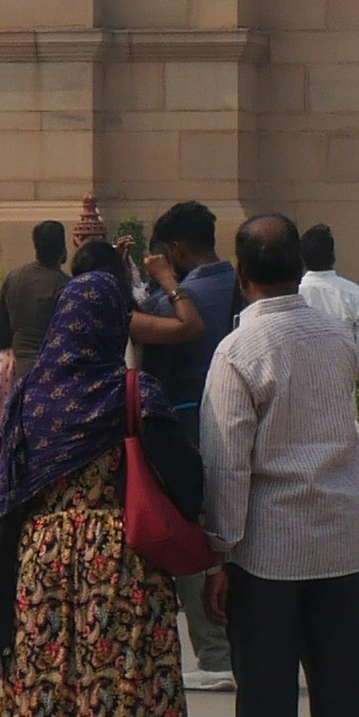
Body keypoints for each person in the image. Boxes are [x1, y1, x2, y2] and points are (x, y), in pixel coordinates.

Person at [0, 234, 188, 717]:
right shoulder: (131, 394)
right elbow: (181, 477)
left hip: (39, 563)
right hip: (119, 562)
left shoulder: (32, 400)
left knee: (44, 695)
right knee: (118, 693)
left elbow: (3, 491)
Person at [204, 212, 359, 717]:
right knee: (342, 699)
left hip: (268, 550)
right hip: (338, 544)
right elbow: (355, 438)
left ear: (243, 272)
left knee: (265, 705)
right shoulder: (335, 337)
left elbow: (228, 464)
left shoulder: (239, 353)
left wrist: (221, 552)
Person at [132, 203, 242, 682]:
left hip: (190, 424)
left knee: (193, 536)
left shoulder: (180, 298)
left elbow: (142, 338)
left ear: (175, 250)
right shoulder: (242, 286)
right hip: (244, 423)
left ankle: (215, 652)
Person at [297, 223, 359, 410]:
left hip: (300, 389)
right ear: (333, 256)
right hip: (342, 389)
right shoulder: (352, 293)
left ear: (302, 258)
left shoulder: (294, 293)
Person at [0, 221, 69, 374]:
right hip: (55, 373)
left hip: (20, 370)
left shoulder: (14, 278)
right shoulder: (66, 286)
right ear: (62, 249)